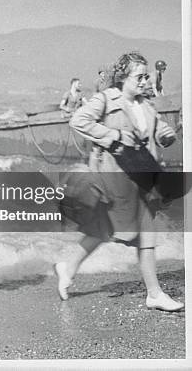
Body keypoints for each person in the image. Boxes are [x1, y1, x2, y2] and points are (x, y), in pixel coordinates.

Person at [54, 52, 183, 312]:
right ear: (124, 76)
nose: (145, 80)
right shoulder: (105, 99)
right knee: (108, 229)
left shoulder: (146, 104)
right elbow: (78, 121)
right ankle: (68, 267)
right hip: (116, 177)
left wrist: (166, 135)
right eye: (140, 76)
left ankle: (154, 293)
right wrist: (112, 135)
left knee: (132, 231)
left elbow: (155, 133)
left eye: (147, 76)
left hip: (143, 177)